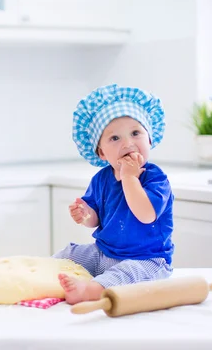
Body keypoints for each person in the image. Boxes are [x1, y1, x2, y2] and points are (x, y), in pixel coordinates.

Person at [54, 84, 174, 305]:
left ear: (150, 139)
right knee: (69, 254)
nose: (128, 143)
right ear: (101, 152)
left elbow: (146, 214)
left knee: (123, 274)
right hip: (104, 253)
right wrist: (85, 214)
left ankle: (90, 291)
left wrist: (129, 177)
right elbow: (95, 219)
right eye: (115, 138)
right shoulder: (101, 179)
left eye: (136, 133)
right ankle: (44, 276)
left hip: (146, 259)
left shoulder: (156, 178)